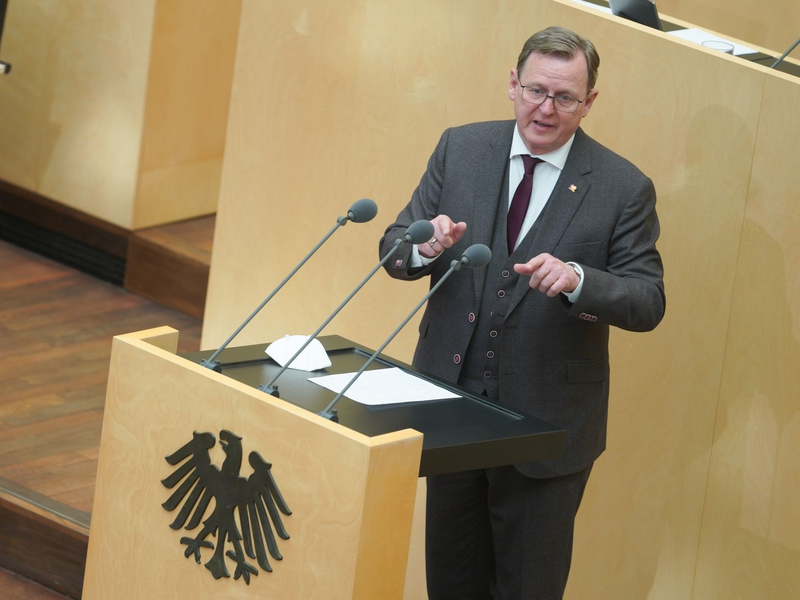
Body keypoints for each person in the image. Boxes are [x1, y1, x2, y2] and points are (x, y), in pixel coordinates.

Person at [379, 26, 665, 599]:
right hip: (450, 411)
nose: (545, 109)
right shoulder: (461, 148)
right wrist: (423, 247)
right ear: (513, 84)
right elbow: (395, 247)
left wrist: (581, 281)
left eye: (564, 97)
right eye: (536, 90)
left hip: (547, 427)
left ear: (589, 102)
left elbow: (647, 300)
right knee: (451, 583)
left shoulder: (622, 186)